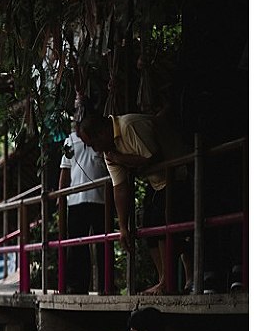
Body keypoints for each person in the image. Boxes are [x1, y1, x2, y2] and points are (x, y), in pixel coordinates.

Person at [77, 107, 191, 295]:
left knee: (162, 221)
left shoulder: (129, 126)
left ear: (102, 133)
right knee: (147, 225)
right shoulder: (109, 151)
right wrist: (122, 226)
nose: (95, 150)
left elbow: (153, 157)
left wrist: (121, 158)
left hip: (180, 172)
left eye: (93, 144)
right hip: (159, 182)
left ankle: (168, 282)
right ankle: (163, 279)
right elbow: (120, 187)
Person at [58, 129, 110, 293]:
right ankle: (78, 286)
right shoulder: (70, 140)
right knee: (77, 246)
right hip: (76, 201)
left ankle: (106, 285)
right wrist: (61, 197)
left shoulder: (101, 136)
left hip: (100, 199)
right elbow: (65, 170)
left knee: (104, 243)